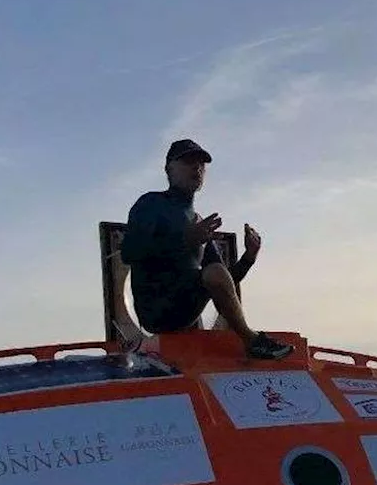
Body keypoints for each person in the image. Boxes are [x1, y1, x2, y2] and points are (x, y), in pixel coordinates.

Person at [114, 138, 293, 359]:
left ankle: (252, 340)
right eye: (188, 161)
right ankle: (252, 340)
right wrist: (183, 240)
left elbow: (222, 282)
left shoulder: (198, 221)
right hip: (156, 311)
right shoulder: (151, 204)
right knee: (213, 271)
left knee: (216, 271)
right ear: (169, 168)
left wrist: (249, 257)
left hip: (186, 310)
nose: (197, 167)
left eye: (201, 163)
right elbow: (129, 252)